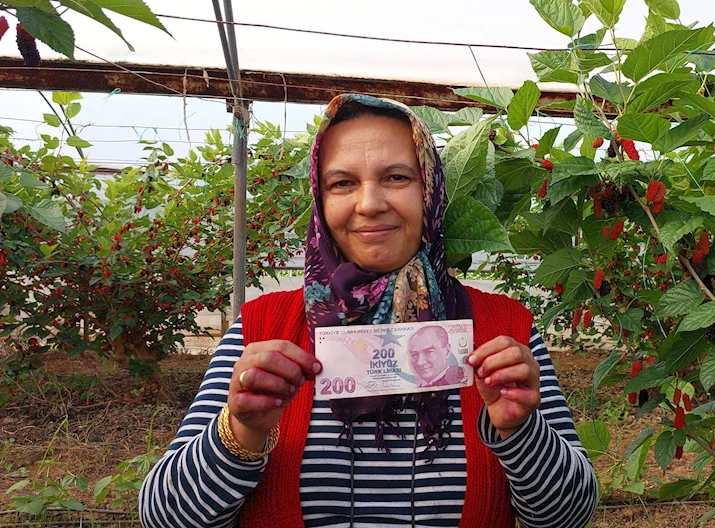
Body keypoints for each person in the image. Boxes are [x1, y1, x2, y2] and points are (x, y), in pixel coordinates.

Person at [139, 94, 598, 528]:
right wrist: (239, 431)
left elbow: (567, 516)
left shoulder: (505, 330)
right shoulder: (262, 328)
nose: (369, 204)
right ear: (321, 202)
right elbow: (163, 517)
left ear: (430, 192)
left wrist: (523, 432)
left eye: (397, 177)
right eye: (342, 183)